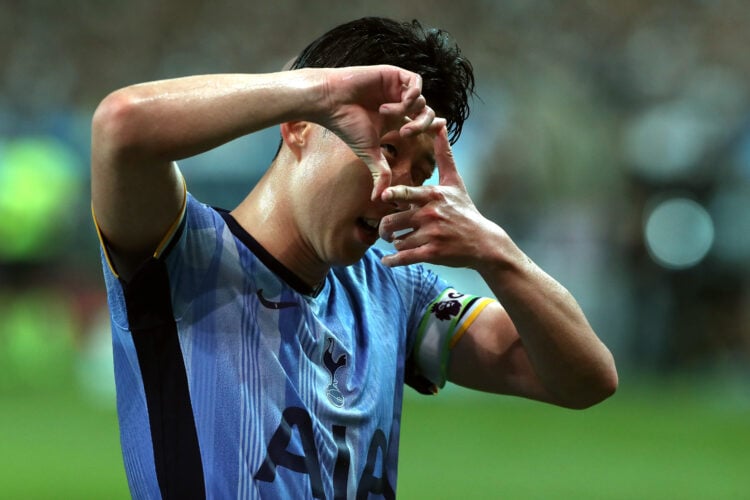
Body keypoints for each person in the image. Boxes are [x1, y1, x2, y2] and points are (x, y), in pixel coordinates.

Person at [91, 16, 617, 499]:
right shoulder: (182, 254)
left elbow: (584, 379)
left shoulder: (397, 293)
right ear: (298, 125)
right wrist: (318, 90)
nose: (397, 188)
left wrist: (496, 253)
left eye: (419, 170)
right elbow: (121, 126)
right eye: (386, 151)